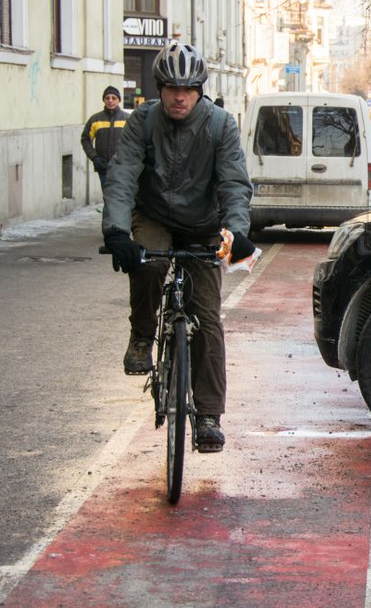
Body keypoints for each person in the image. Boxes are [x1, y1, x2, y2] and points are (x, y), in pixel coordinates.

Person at [101, 42, 254, 453]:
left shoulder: (220, 124)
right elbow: (123, 175)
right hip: (153, 216)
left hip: (204, 225)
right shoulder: (142, 122)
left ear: (201, 89)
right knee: (147, 263)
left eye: (188, 89)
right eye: (171, 88)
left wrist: (236, 232)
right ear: (159, 88)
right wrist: (117, 231)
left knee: (206, 315)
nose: (179, 96)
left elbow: (234, 184)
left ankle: (208, 414)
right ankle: (141, 335)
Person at [80, 86, 127, 187]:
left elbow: (135, 141)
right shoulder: (95, 119)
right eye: (107, 98)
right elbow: (85, 140)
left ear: (119, 100)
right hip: (103, 166)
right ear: (104, 100)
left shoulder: (128, 119)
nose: (110, 101)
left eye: (113, 98)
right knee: (107, 195)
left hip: (122, 167)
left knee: (121, 197)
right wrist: (94, 157)